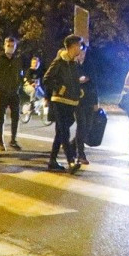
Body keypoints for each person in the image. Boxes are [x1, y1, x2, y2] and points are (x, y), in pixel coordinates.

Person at [43, 35, 85, 174]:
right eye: (79, 45)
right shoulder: (60, 61)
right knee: (64, 132)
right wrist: (60, 88)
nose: (81, 48)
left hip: (71, 102)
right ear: (72, 46)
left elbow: (73, 81)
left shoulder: (74, 62)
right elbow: (46, 79)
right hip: (59, 101)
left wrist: (78, 91)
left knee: (61, 133)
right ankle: (71, 161)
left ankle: (52, 161)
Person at [0, 37, 25, 151]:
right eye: (8, 45)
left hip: (14, 92)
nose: (10, 48)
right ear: (4, 46)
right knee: (0, 117)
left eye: (12, 46)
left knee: (16, 117)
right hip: (2, 92)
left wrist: (19, 84)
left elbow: (20, 75)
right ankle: (0, 142)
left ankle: (13, 140)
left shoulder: (17, 60)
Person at [73, 40, 98, 165]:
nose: (82, 54)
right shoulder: (72, 65)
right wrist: (78, 81)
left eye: (84, 52)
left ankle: (72, 145)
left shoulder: (90, 65)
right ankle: (80, 154)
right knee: (81, 125)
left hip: (88, 99)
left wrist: (96, 102)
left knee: (88, 126)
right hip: (77, 101)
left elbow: (94, 84)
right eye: (80, 52)